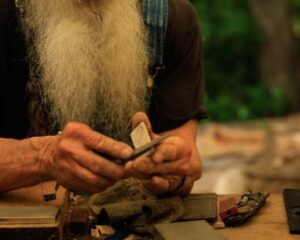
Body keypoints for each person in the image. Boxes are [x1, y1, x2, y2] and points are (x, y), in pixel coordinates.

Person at [0, 0, 207, 196]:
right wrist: (43, 157)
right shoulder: (6, 11)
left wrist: (171, 169)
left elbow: (188, 162)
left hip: (134, 224)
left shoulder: (172, 18)